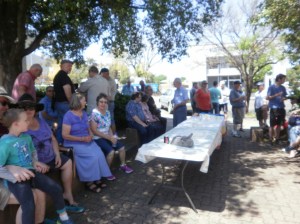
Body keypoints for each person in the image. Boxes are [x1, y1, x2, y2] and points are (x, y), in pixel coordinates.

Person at [0, 108, 74, 224]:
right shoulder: (5, 143)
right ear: (16, 124)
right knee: (28, 204)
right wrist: (12, 177)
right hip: (17, 180)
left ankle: (63, 216)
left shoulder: (26, 137)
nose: (28, 122)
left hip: (32, 173)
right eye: (25, 120)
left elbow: (32, 152)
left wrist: (35, 163)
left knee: (56, 188)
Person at [18, 94, 84, 213]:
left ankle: (67, 194)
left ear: (35, 109)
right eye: (25, 108)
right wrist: (35, 164)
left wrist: (57, 154)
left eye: (31, 107)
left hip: (51, 157)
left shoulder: (40, 121)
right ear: (20, 110)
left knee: (68, 162)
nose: (28, 110)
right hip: (36, 164)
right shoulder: (19, 127)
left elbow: (53, 139)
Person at [62, 93, 115, 193]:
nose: (85, 102)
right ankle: (89, 181)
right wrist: (82, 139)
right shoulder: (68, 116)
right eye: (84, 100)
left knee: (99, 154)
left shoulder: (84, 113)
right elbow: (65, 135)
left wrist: (90, 135)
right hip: (73, 143)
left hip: (86, 140)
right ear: (78, 102)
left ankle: (96, 178)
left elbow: (88, 127)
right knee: (93, 157)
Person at [90, 93, 133, 173]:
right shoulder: (94, 114)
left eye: (105, 102)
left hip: (107, 136)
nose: (103, 104)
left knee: (122, 147)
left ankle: (123, 165)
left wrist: (112, 136)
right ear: (97, 102)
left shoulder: (107, 112)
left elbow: (108, 127)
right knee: (111, 152)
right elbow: (94, 131)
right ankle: (106, 172)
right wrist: (109, 138)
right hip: (98, 138)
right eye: (101, 102)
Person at [53, 59, 75, 144]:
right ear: (61, 66)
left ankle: (60, 143)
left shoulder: (58, 75)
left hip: (59, 103)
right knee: (67, 124)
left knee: (61, 124)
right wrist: (72, 104)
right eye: (68, 66)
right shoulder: (63, 76)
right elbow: (68, 93)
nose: (70, 68)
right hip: (64, 104)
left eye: (71, 66)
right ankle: (66, 143)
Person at [266, 74, 287, 144]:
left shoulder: (283, 88)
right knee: (272, 125)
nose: (284, 81)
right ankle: (270, 139)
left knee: (279, 124)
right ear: (279, 79)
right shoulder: (271, 87)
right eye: (283, 79)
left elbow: (285, 96)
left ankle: (277, 139)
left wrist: (284, 98)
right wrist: (276, 95)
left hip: (281, 107)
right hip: (273, 108)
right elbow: (267, 98)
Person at [100, 68, 118, 135]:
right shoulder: (108, 80)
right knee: (110, 119)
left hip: (109, 102)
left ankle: (113, 136)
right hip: (109, 102)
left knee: (110, 120)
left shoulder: (109, 81)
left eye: (107, 74)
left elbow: (106, 93)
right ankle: (112, 136)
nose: (107, 75)